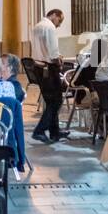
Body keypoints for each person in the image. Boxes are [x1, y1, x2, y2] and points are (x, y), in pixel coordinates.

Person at [30, 8, 69, 143]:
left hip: (38, 67)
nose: (59, 24)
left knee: (50, 101)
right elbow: (52, 54)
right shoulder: (50, 27)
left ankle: (55, 132)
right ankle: (39, 131)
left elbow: (41, 48)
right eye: (60, 20)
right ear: (54, 15)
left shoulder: (37, 26)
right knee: (56, 101)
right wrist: (59, 60)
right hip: (48, 69)